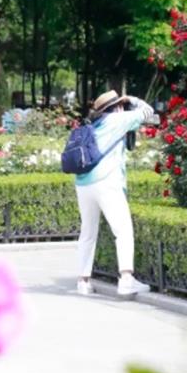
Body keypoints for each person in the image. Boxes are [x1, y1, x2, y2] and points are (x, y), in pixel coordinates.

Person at [74, 90, 155, 297]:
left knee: (87, 233)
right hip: (107, 183)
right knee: (123, 230)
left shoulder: (93, 124)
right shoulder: (119, 119)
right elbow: (148, 111)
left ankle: (83, 282)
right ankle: (126, 279)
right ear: (118, 106)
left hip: (83, 184)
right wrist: (133, 99)